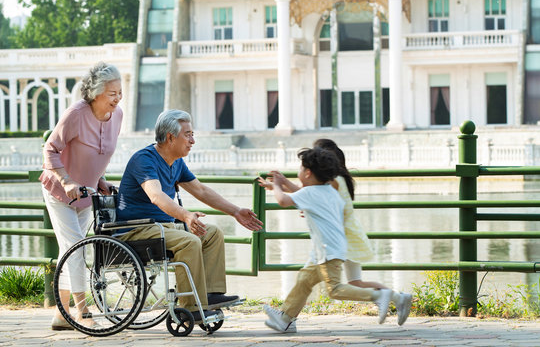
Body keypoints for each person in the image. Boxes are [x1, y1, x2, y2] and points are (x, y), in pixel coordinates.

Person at [115, 109, 263, 322]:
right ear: (170, 137)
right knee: (189, 241)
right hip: (136, 230)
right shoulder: (144, 159)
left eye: (193, 134)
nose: (193, 140)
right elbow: (156, 196)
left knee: (211, 233)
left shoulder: (176, 162)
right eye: (188, 134)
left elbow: (201, 190)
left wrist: (235, 211)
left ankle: (210, 294)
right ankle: (191, 307)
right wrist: (185, 215)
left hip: (161, 228)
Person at [259, 139, 412, 323]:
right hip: (338, 238)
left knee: (336, 288)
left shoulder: (331, 183)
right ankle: (285, 318)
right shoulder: (332, 183)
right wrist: (283, 186)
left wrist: (279, 186)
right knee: (308, 279)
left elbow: (300, 196)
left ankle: (384, 296)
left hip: (336, 239)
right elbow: (306, 194)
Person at [40, 62, 123, 330]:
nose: (117, 98)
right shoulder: (75, 114)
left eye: (120, 92)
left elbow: (98, 153)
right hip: (59, 192)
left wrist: (100, 180)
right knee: (76, 250)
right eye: (112, 93)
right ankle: (82, 311)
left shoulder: (117, 116)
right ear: (97, 92)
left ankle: (60, 314)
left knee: (71, 250)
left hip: (86, 194)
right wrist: (65, 181)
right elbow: (50, 150)